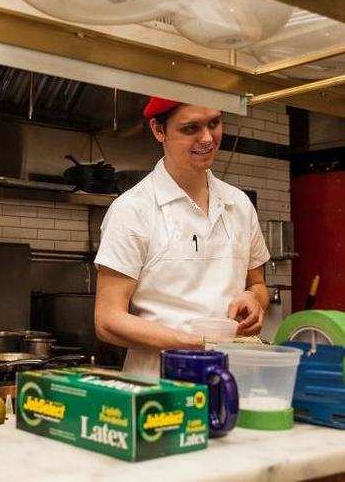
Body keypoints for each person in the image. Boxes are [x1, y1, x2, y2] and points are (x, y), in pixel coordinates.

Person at [94, 97, 270, 377]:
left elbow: (258, 284)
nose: (207, 138)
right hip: (160, 384)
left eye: (214, 123)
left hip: (233, 378)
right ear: (158, 130)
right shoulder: (133, 209)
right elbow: (107, 320)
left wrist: (253, 300)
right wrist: (197, 344)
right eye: (191, 129)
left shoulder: (238, 204)